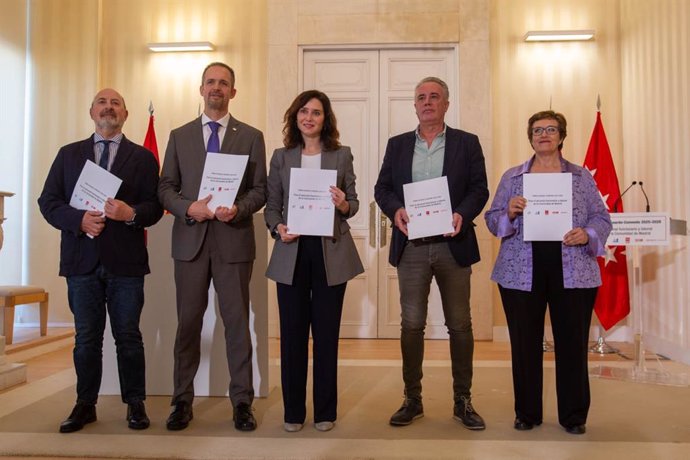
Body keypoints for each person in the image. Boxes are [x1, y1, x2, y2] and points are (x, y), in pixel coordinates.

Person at [38, 88, 163, 433]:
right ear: (91, 111)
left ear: (126, 113)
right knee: (86, 339)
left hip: (126, 263)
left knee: (128, 336)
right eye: (102, 103)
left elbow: (154, 208)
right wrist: (77, 220)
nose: (109, 108)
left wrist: (131, 212)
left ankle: (135, 404)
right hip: (82, 261)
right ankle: (85, 404)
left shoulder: (142, 158)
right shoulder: (68, 155)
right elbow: (48, 202)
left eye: (116, 103)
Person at [484, 110, 612, 435]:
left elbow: (602, 218)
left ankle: (574, 416)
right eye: (537, 130)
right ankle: (526, 413)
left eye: (551, 129)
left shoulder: (581, 177)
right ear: (530, 137)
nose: (544, 134)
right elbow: (492, 219)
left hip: (574, 271)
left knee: (572, 344)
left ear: (561, 136)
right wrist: (509, 214)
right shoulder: (513, 177)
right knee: (525, 345)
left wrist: (587, 234)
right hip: (520, 272)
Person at [374, 77, 489, 430]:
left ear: (446, 104)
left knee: (460, 324)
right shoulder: (397, 145)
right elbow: (383, 188)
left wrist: (462, 214)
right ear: (414, 105)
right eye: (421, 97)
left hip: (453, 244)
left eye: (434, 97)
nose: (427, 102)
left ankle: (463, 400)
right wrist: (396, 211)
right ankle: (413, 399)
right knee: (411, 324)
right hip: (411, 246)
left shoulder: (467, 143)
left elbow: (479, 189)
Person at [158, 62, 267, 432]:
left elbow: (261, 190)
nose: (216, 88)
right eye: (211, 82)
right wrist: (189, 207)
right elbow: (165, 188)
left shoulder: (251, 136)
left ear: (233, 92)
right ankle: (181, 402)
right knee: (187, 324)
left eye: (224, 83)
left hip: (233, 241)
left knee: (237, 324)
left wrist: (239, 208)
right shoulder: (179, 135)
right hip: (190, 243)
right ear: (201, 89)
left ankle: (241, 402)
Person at [265, 90, 364, 433]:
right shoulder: (280, 157)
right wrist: (278, 228)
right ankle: (293, 412)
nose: (309, 117)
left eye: (317, 113)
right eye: (304, 111)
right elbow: (272, 206)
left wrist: (342, 205)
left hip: (329, 253)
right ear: (295, 117)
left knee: (326, 335)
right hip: (291, 251)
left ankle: (325, 411)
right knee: (292, 335)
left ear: (326, 119)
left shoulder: (341, 155)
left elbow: (354, 202)